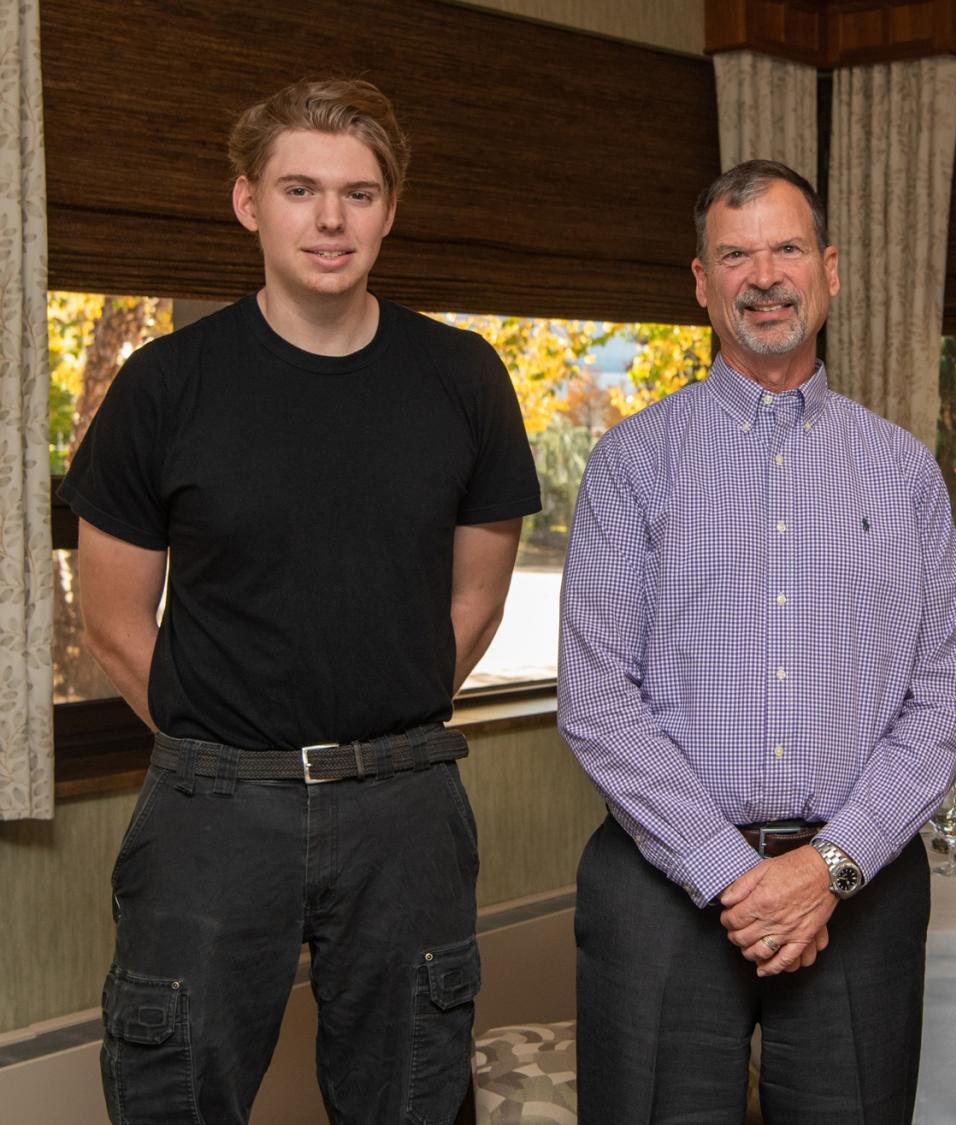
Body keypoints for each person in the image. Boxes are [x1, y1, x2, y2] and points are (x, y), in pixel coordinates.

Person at [61, 78, 540, 1124]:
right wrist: (221, 745)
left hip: (405, 809)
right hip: (213, 809)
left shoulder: (463, 378)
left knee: (412, 1095)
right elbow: (112, 618)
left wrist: (380, 725)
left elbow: (475, 603)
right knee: (173, 1093)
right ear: (249, 203)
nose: (331, 219)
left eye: (358, 194)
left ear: (389, 211)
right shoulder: (165, 385)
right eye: (299, 190)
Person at [557, 159, 956, 1123]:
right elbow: (598, 699)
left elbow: (943, 699)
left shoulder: (903, 471)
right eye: (735, 255)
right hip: (660, 884)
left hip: (860, 890)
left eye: (787, 248)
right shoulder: (632, 463)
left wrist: (827, 867)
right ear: (702, 283)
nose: (764, 276)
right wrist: (731, 872)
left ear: (829, 269)